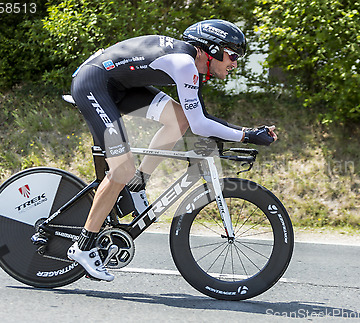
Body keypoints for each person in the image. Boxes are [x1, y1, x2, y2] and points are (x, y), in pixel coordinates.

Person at [66, 19, 278, 281]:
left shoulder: (191, 65)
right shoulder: (185, 64)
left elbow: (197, 118)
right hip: (93, 84)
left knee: (179, 119)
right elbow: (202, 125)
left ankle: (137, 184)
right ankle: (84, 246)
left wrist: (241, 132)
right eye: (232, 55)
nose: (235, 63)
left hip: (118, 85)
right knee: (121, 168)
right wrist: (246, 135)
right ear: (211, 49)